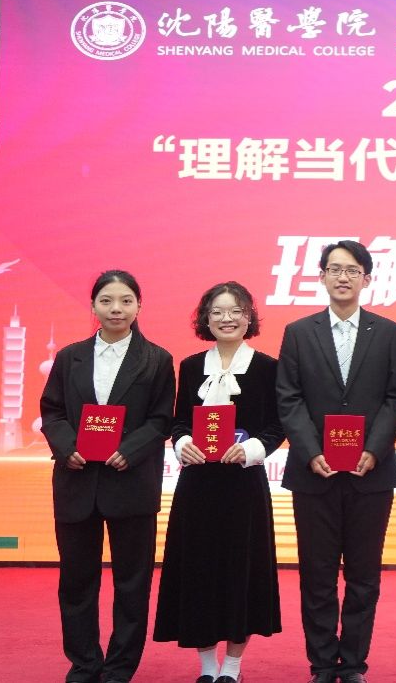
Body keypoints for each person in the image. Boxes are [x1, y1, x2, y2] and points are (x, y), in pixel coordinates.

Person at [277, 241, 396, 683]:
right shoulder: (299, 332)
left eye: (352, 270)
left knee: (363, 576)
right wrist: (312, 451)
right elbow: (289, 398)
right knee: (316, 574)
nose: (343, 277)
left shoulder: (388, 333)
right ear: (322, 277)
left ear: (366, 279)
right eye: (334, 269)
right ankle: (320, 663)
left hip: (372, 473)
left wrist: (375, 448)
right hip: (313, 473)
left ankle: (352, 664)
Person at [40, 269, 175, 683]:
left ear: (139, 306)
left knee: (132, 583)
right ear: (94, 306)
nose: (116, 308)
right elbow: (52, 410)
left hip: (130, 482)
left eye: (126, 301)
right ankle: (84, 664)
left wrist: (128, 451)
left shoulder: (157, 359)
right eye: (107, 301)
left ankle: (119, 668)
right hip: (77, 480)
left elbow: (161, 420)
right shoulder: (70, 357)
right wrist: (67, 448)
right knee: (76, 581)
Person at [153, 282, 284, 683]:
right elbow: (179, 421)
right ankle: (208, 667)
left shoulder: (267, 367)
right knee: (198, 570)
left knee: (241, 570)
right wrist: (184, 443)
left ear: (249, 317)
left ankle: (232, 666)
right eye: (218, 312)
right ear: (205, 319)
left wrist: (252, 450)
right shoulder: (192, 366)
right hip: (198, 486)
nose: (227, 319)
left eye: (236, 311)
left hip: (243, 486)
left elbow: (276, 426)